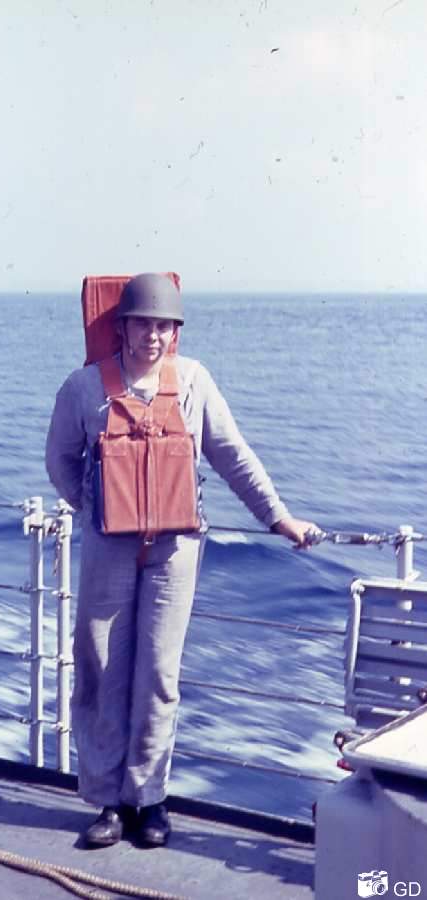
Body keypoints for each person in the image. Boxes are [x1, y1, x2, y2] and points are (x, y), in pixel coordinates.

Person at [45, 273, 318, 849]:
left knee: (159, 677)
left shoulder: (194, 382)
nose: (153, 335)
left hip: (174, 552)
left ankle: (148, 799)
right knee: (101, 670)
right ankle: (107, 801)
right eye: (143, 324)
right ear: (122, 327)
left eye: (164, 326)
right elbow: (60, 461)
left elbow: (233, 456)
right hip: (108, 550)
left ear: (176, 332)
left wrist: (279, 517)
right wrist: (96, 510)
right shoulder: (83, 388)